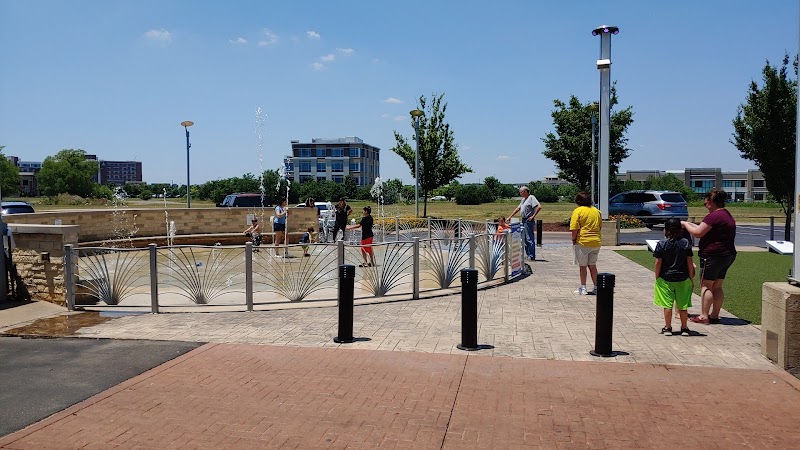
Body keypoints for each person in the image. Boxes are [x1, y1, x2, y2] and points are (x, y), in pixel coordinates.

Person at [683, 189, 736, 325]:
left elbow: (698, 233)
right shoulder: (726, 215)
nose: (706, 206)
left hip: (713, 256)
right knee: (717, 286)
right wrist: (688, 224)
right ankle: (714, 315)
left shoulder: (713, 216)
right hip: (727, 255)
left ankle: (704, 316)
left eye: (705, 203)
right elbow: (701, 228)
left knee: (706, 286)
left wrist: (685, 224)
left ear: (712, 201)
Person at [653, 218, 696, 336]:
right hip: (683, 278)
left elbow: (658, 262)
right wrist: (691, 277)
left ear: (666, 230)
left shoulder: (661, 244)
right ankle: (684, 327)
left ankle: (668, 328)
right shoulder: (686, 243)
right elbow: (689, 261)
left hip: (665, 278)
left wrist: (657, 277)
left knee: (667, 305)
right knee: (683, 305)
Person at [569, 191, 602, 295]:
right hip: (596, 241)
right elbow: (600, 226)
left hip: (583, 241)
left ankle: (583, 288)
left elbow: (574, 228)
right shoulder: (597, 211)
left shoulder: (578, 211)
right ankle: (596, 287)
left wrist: (573, 240)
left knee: (582, 266)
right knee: (592, 265)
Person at [508, 186, 541, 260]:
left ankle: (531, 255)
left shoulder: (531, 197)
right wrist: (510, 216)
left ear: (525, 191)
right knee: (525, 238)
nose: (520, 193)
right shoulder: (523, 200)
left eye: (521, 192)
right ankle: (528, 254)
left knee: (529, 237)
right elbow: (518, 208)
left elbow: (539, 206)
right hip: (523, 220)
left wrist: (533, 216)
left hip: (528, 220)